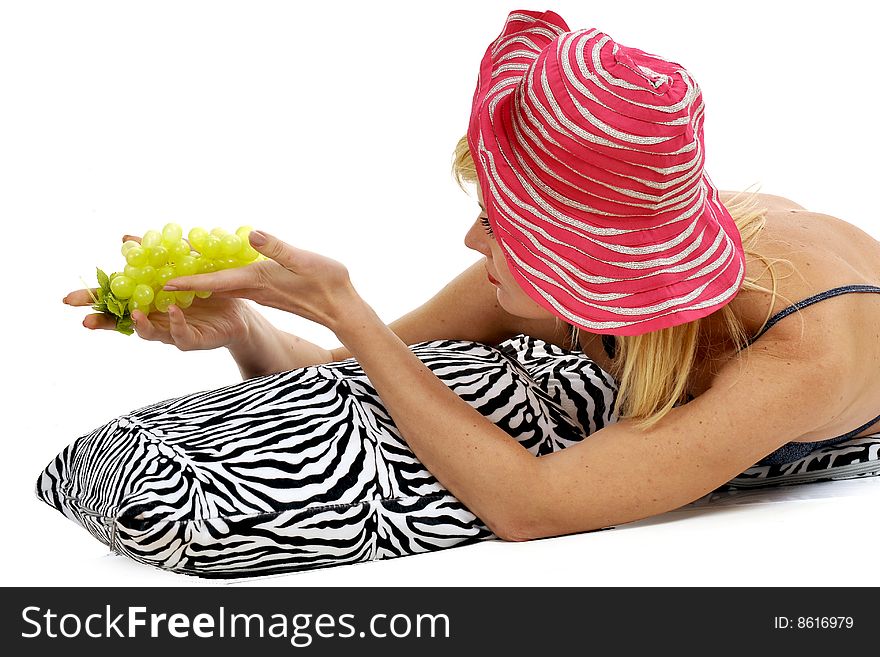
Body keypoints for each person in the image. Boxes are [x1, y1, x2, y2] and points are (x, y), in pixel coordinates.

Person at [62, 9, 880, 543]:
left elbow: (531, 507)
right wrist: (249, 328)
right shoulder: (567, 275)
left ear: (578, 253)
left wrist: (351, 312)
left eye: (499, 222)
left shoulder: (799, 351)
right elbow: (370, 372)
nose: (468, 238)